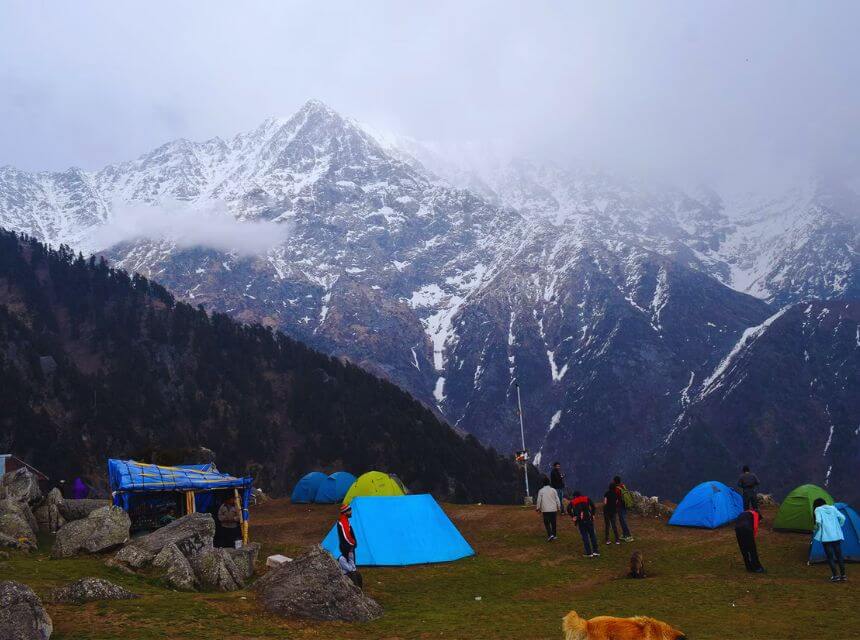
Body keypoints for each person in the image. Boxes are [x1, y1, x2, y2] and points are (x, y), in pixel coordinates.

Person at [813, 498, 847, 582]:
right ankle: (843, 576)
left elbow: (818, 521)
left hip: (826, 537)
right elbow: (843, 517)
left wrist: (816, 529)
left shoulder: (818, 509)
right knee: (839, 556)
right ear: (825, 503)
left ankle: (835, 576)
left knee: (830, 557)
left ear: (817, 504)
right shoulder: (833, 508)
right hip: (836, 535)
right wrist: (839, 526)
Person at [336, 503, 363, 588]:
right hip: (347, 548)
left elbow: (350, 533)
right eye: (349, 510)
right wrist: (352, 544)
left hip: (348, 547)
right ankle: (353, 587)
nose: (351, 512)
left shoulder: (346, 521)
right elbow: (346, 536)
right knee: (349, 570)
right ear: (345, 512)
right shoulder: (342, 522)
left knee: (352, 568)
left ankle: (354, 585)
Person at [567, 490, 599, 557]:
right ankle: (596, 551)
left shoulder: (573, 501)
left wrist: (573, 516)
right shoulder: (586, 498)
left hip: (580, 520)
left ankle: (589, 552)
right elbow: (593, 506)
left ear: (575, 496)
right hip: (589, 518)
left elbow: (568, 508)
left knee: (585, 536)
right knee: (592, 535)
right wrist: (592, 514)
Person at [734, 508, 765, 573]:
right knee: (752, 549)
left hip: (737, 528)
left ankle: (748, 567)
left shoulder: (744, 513)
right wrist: (752, 537)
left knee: (743, 549)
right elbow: (755, 527)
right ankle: (757, 568)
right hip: (747, 529)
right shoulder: (755, 514)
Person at [535, 476, 561, 541]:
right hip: (553, 509)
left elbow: (539, 500)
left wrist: (538, 508)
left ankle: (550, 534)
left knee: (547, 523)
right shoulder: (553, 490)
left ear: (543, 483)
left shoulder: (541, 491)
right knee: (553, 522)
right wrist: (559, 507)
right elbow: (557, 499)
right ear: (549, 483)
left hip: (545, 509)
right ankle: (554, 535)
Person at [613, 476, 634, 542]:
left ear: (614, 481)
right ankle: (625, 534)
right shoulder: (623, 486)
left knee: (623, 520)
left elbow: (615, 498)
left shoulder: (617, 489)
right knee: (622, 520)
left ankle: (629, 535)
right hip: (625, 505)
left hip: (620, 506)